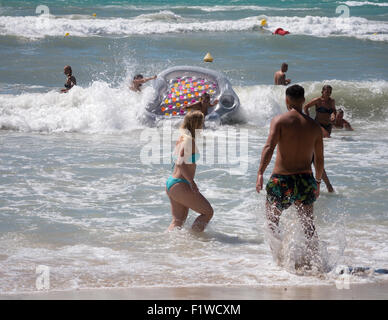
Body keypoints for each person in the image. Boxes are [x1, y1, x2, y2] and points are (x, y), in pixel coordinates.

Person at [256, 84, 324, 257]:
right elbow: (320, 159)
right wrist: (317, 182)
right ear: (303, 100)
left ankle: (279, 261)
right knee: (308, 225)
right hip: (305, 180)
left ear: (287, 100)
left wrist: (260, 173)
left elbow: (269, 147)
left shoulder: (279, 121)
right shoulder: (314, 126)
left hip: (282, 179)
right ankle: (314, 262)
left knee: (272, 221)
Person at [166, 110, 214, 232]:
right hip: (180, 183)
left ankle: (170, 244)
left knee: (178, 221)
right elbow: (179, 162)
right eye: (201, 123)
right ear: (196, 124)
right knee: (208, 212)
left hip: (173, 183)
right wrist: (191, 182)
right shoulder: (188, 140)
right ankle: (194, 240)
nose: (202, 126)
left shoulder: (182, 138)